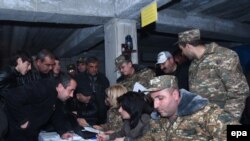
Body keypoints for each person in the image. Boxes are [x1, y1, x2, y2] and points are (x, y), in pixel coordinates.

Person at [139, 75, 238, 141]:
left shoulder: (206, 114)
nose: (155, 106)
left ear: (175, 95)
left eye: (160, 98)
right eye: (153, 100)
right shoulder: (157, 120)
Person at [177, 29, 249, 119]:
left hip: (220, 120)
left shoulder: (224, 56)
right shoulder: (194, 64)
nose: (182, 54)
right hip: (202, 120)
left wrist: (227, 120)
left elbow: (240, 91)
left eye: (182, 50)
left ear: (188, 46)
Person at [4, 74, 77, 141]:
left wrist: (63, 132)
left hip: (31, 132)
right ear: (60, 86)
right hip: (15, 132)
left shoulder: (58, 96)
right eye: (71, 90)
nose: (72, 95)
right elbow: (12, 96)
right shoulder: (41, 87)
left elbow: (56, 115)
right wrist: (22, 121)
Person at [0, 50, 32, 140]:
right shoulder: (7, 73)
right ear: (19, 61)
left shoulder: (15, 75)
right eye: (28, 64)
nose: (29, 68)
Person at [76, 56, 110, 124]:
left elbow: (108, 94)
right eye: (91, 66)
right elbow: (73, 94)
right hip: (85, 113)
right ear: (87, 66)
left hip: (101, 113)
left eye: (96, 67)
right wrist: (78, 97)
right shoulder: (79, 78)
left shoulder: (103, 78)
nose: (94, 69)